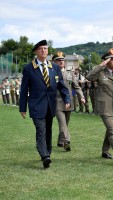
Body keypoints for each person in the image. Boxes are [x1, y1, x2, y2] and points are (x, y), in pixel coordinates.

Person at [19, 40, 70, 168]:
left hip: (50, 105)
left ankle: (48, 152)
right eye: (41, 49)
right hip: (36, 105)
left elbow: (62, 86)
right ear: (36, 51)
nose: (43, 51)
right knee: (41, 130)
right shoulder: (29, 68)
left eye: (45, 49)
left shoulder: (55, 68)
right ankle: (44, 156)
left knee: (48, 130)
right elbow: (24, 89)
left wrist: (67, 99)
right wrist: (22, 107)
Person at [53, 51, 85, 151]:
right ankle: (67, 142)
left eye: (62, 60)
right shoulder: (51, 73)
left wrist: (82, 96)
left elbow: (76, 87)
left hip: (68, 102)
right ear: (54, 62)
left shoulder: (70, 73)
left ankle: (60, 141)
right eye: (58, 60)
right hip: (57, 101)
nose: (61, 61)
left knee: (65, 124)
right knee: (62, 123)